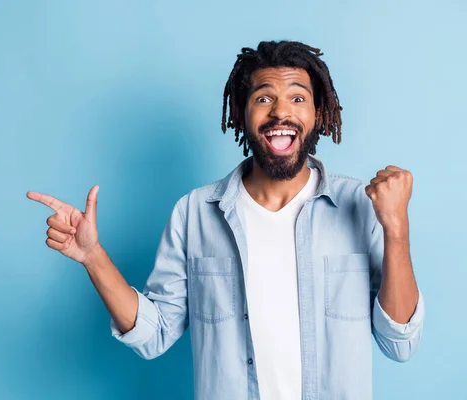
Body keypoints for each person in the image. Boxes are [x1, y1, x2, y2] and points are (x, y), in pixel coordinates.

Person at [27, 40, 424, 400]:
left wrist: (396, 228)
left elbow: (400, 342)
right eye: (264, 98)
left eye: (298, 98)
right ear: (242, 112)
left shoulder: (362, 205)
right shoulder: (195, 214)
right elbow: (155, 334)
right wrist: (93, 256)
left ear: (318, 114)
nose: (281, 111)